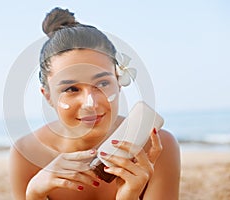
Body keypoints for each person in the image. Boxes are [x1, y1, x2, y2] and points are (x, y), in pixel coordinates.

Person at [9, 7, 180, 200]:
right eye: (71, 89)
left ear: (118, 83)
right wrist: (34, 195)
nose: (90, 102)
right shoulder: (26, 153)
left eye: (102, 83)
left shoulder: (157, 147)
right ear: (48, 96)